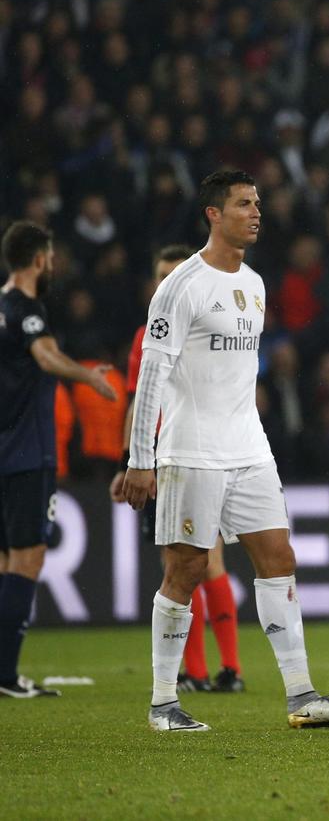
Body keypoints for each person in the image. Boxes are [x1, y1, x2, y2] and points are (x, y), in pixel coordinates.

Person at [123, 170, 329, 731]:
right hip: (191, 450)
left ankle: (302, 696)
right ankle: (163, 703)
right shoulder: (180, 286)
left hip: (249, 447)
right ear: (213, 214)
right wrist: (140, 459)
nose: (256, 212)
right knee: (186, 569)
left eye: (257, 203)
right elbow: (151, 377)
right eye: (242, 204)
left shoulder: (255, 285)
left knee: (279, 559)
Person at [109, 244, 245, 693]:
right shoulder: (146, 334)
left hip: (203, 452)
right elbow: (137, 403)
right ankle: (201, 672)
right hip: (160, 459)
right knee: (181, 563)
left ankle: (227, 669)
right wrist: (130, 461)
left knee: (206, 561)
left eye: (176, 274)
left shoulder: (210, 325)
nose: (167, 284)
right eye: (161, 276)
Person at [0, 220, 116, 698]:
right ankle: (6, 675)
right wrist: (89, 378)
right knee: (27, 559)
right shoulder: (26, 309)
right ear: (38, 260)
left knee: (7, 560)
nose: (53, 266)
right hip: (28, 453)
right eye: (50, 258)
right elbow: (46, 356)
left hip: (5, 451)